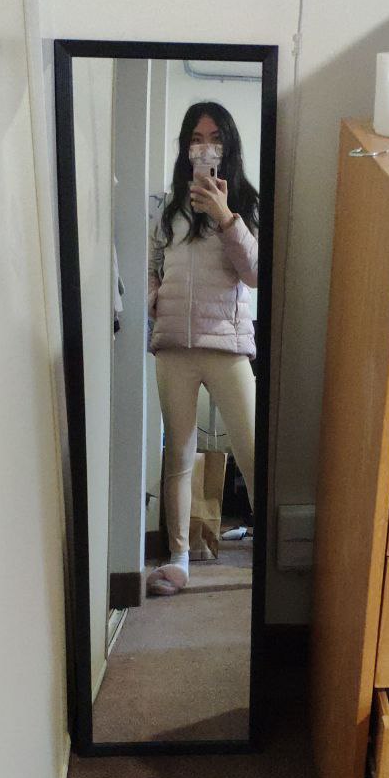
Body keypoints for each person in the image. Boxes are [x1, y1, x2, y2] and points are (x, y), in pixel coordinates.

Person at [146, 101, 258, 597]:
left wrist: (225, 215)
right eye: (196, 138)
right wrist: (154, 296)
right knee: (179, 453)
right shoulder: (169, 206)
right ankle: (178, 559)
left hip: (226, 345)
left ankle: (264, 561)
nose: (205, 147)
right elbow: (153, 258)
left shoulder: (246, 203)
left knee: (252, 451)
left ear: (228, 145)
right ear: (185, 147)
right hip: (174, 345)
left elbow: (254, 273)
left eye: (214, 138)